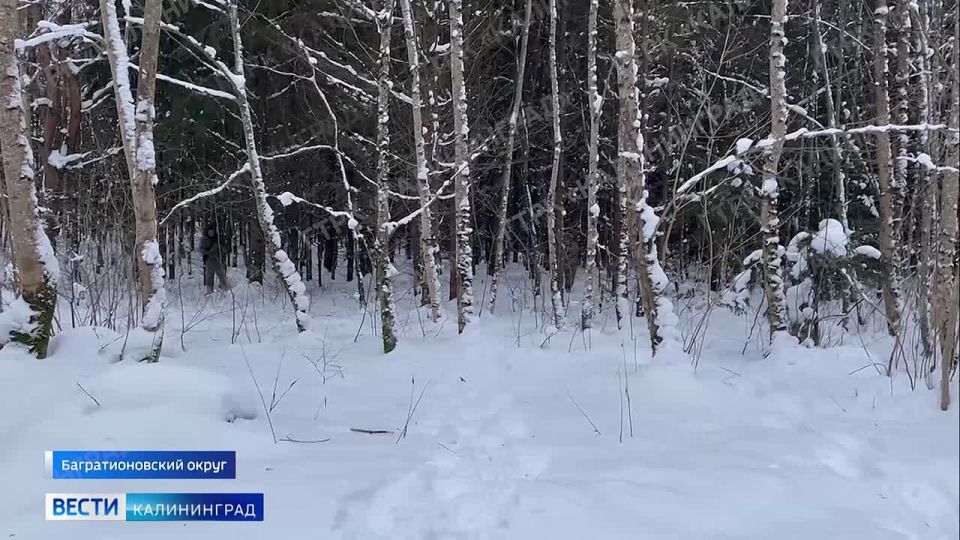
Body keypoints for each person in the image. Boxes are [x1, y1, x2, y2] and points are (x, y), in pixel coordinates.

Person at [200, 221, 230, 293]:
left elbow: (224, 249)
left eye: (212, 231)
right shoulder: (205, 240)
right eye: (210, 231)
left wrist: (221, 250)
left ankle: (224, 288)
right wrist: (209, 252)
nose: (211, 233)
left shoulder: (218, 239)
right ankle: (209, 290)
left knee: (221, 275)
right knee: (209, 276)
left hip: (218, 259)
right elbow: (202, 249)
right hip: (209, 260)